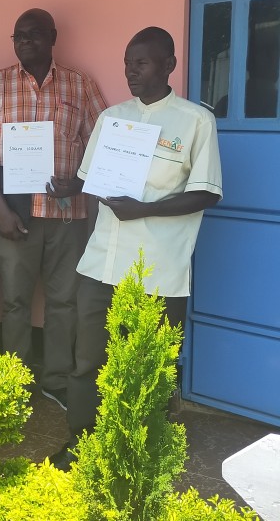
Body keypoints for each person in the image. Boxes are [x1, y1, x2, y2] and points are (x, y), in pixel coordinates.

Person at [50, 27, 223, 470]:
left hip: (158, 268)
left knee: (149, 366)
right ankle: (82, 440)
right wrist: (72, 187)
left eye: (141, 63)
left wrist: (144, 209)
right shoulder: (112, 118)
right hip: (102, 261)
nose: (132, 71)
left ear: (169, 65)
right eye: (128, 63)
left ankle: (142, 451)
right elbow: (93, 180)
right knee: (88, 358)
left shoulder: (195, 121)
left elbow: (206, 193)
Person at [0, 9, 106, 410]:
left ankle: (56, 379)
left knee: (64, 301)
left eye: (34, 34)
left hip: (68, 213)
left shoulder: (80, 85)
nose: (25, 41)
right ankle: (15, 379)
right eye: (18, 36)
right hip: (15, 213)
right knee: (15, 301)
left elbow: (101, 144)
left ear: (53, 36)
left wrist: (80, 182)